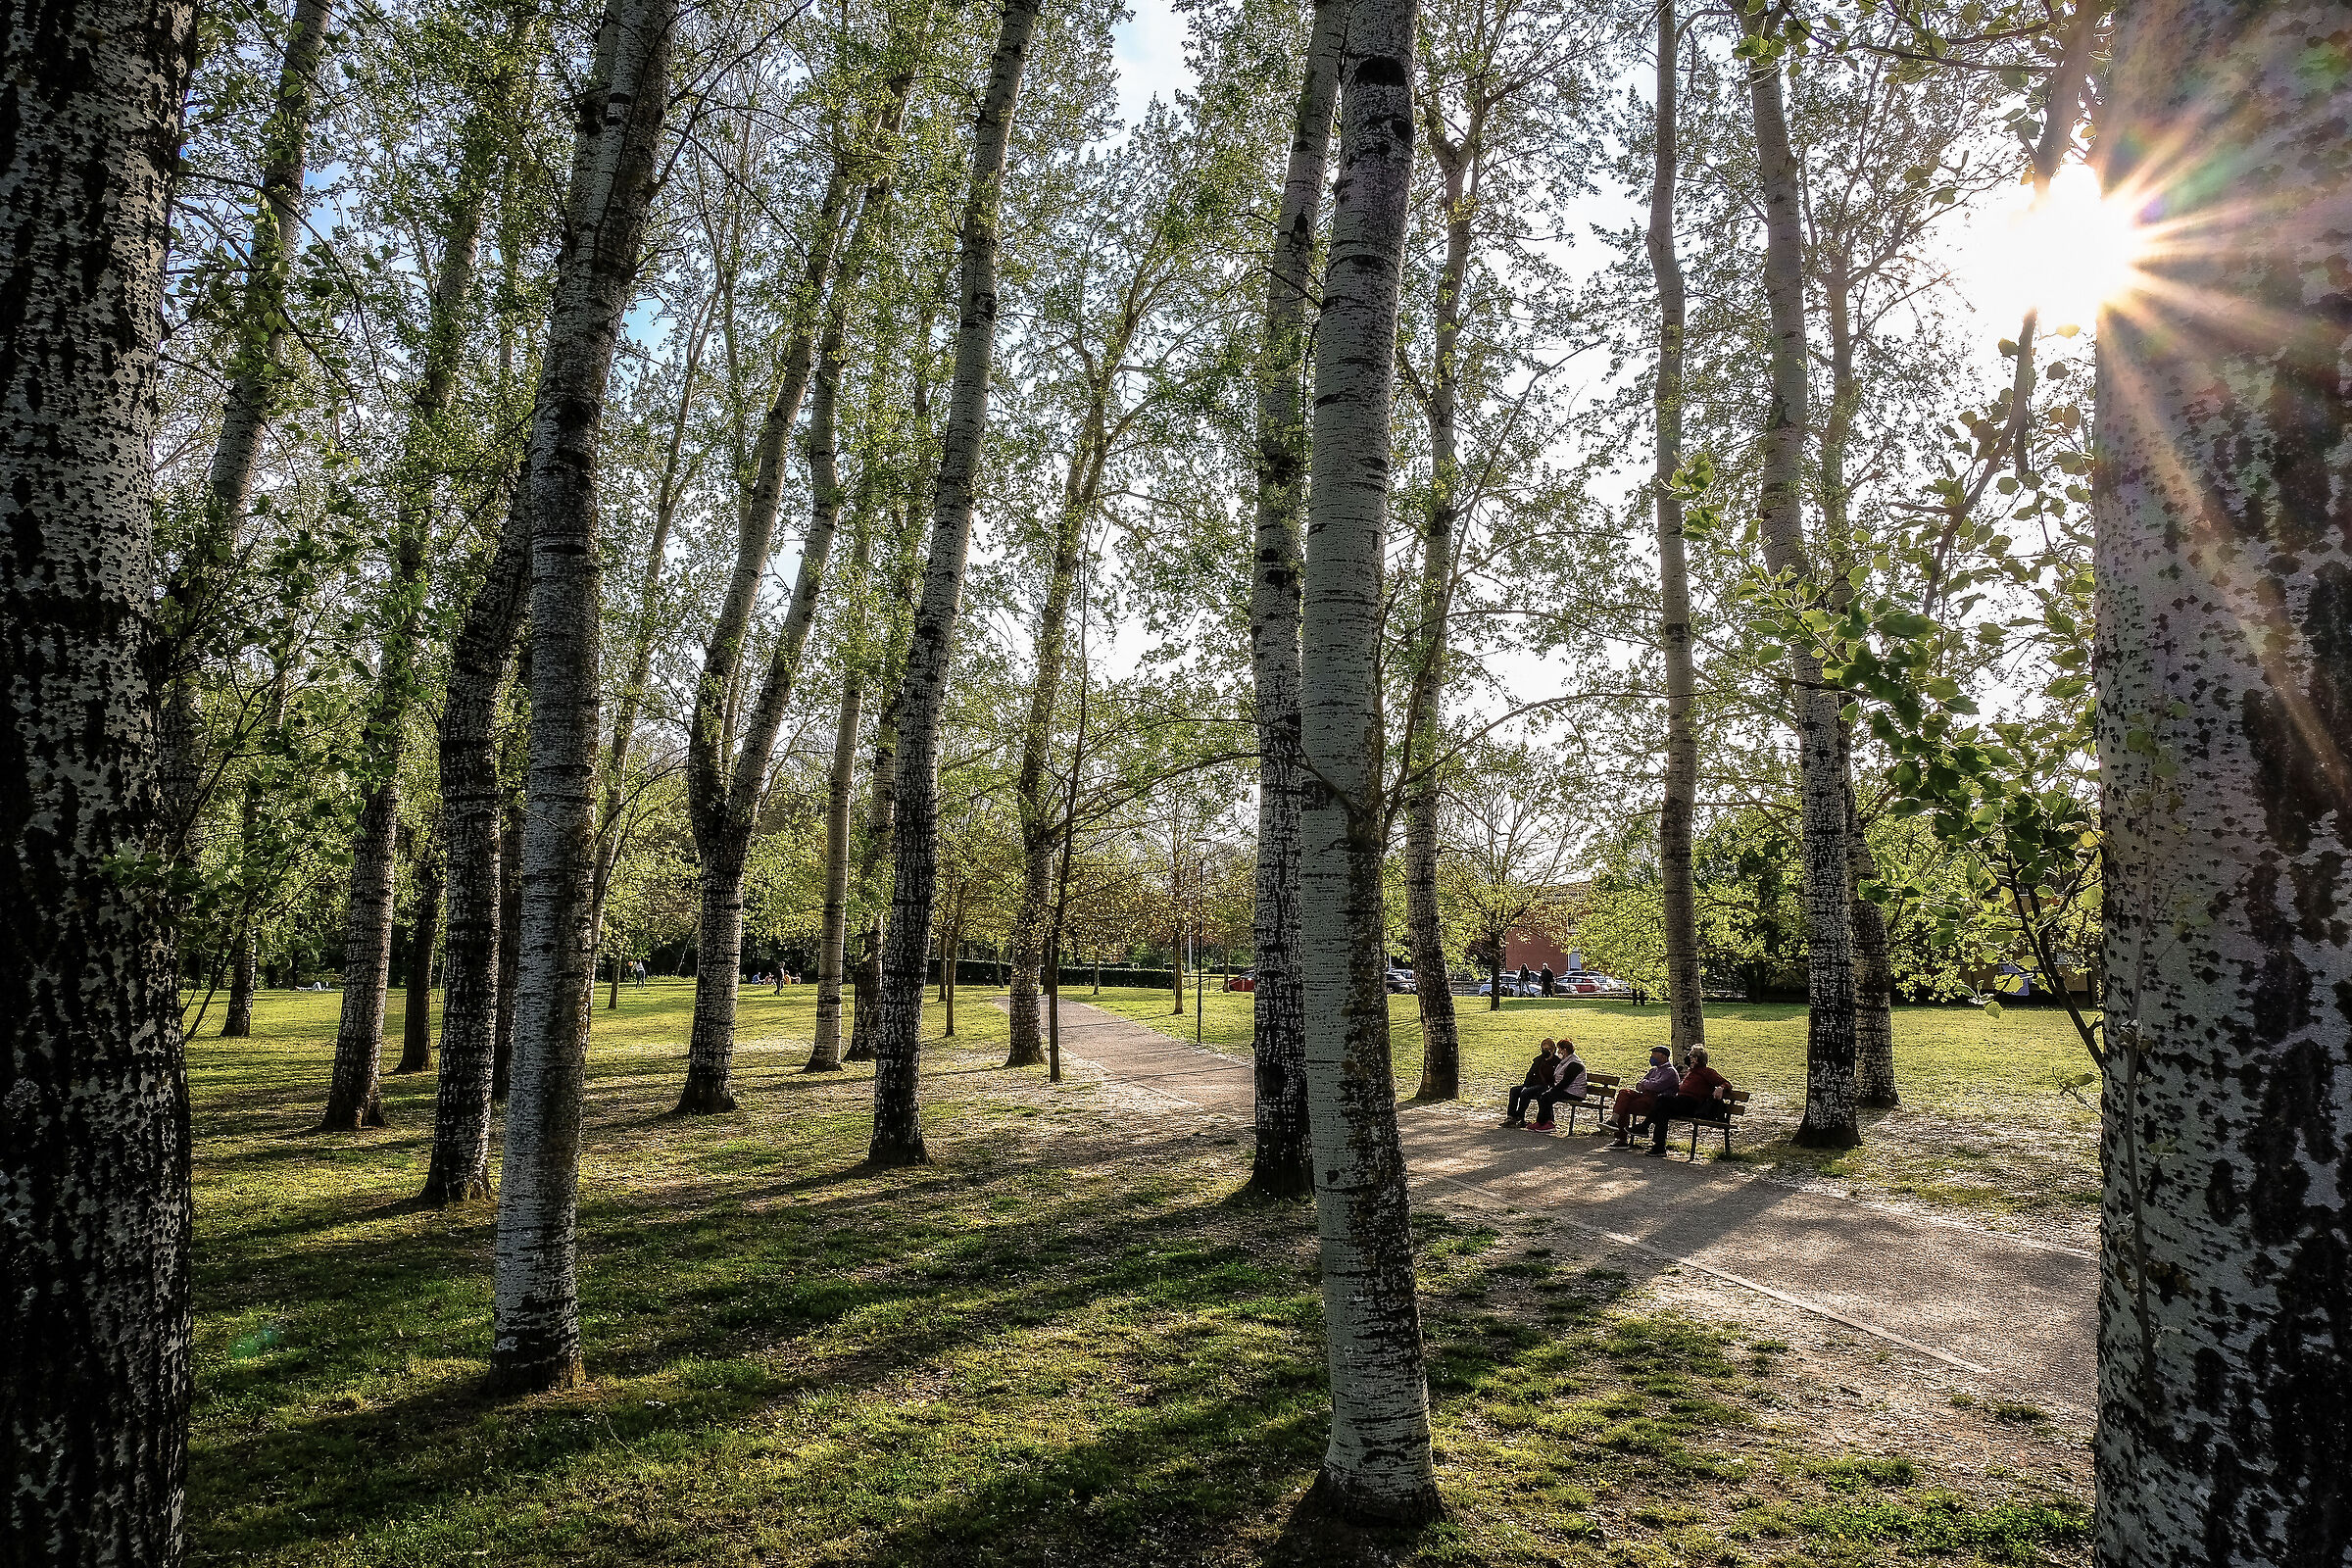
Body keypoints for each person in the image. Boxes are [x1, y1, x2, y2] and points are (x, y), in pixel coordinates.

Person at [1646, 1046, 1733, 1155]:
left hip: (1692, 1104)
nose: (1689, 1059)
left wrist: (1721, 1088)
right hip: (1682, 1102)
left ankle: (1645, 1126)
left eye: (1692, 1056)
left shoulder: (1706, 1072)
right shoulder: (1690, 1073)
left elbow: (1727, 1083)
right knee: (1663, 1110)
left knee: (1663, 1099)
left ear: (1698, 1059)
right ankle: (1659, 1147)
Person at [1612, 1046, 1683, 1146]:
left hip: (1656, 1101)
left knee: (1624, 1105)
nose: (1651, 1057)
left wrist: (1646, 1083)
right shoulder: (1654, 1070)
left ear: (1663, 1057)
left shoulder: (1670, 1072)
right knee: (1624, 1093)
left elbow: (1656, 1086)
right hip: (1645, 1095)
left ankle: (1621, 1138)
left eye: (1654, 1055)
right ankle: (1613, 1120)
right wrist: (1647, 1084)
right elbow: (1639, 1085)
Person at [1529, 1039, 1589, 1131]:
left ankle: (1548, 1124)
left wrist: (1553, 1090)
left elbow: (1566, 1082)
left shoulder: (1574, 1064)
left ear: (1565, 1050)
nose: (1558, 1052)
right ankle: (1541, 1122)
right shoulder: (1566, 1061)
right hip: (1568, 1090)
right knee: (1544, 1095)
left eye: (1560, 1049)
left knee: (1546, 1096)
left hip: (1575, 1092)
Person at [1502, 1038, 1562, 1127]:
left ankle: (1519, 1117)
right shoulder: (1539, 1060)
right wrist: (1525, 1085)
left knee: (1526, 1092)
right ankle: (1511, 1116)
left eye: (1548, 1049)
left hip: (1545, 1086)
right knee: (1514, 1090)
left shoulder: (1557, 1062)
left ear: (1553, 1050)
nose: (1546, 1051)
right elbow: (1530, 1074)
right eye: (1544, 1049)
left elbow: (1555, 1078)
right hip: (1533, 1084)